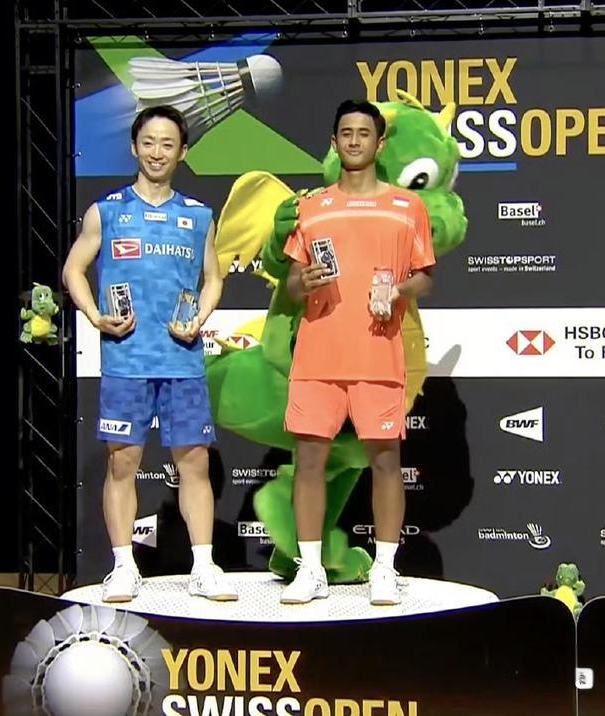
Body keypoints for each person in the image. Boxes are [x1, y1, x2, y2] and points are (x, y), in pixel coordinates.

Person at [61, 105, 236, 603]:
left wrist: (200, 317)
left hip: (182, 359)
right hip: (127, 361)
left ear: (183, 151)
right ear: (134, 147)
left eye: (168, 144)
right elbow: (74, 270)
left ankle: (204, 567)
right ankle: (123, 568)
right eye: (149, 142)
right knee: (123, 463)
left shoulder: (198, 215)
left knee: (195, 463)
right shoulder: (107, 211)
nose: (157, 152)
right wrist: (96, 316)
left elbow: (214, 278)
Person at [279, 100, 435, 606]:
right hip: (317, 356)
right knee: (308, 462)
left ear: (379, 143)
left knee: (386, 462)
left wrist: (399, 291)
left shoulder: (407, 207)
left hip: (378, 353)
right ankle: (310, 570)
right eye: (345, 132)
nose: (353, 140)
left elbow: (425, 277)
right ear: (334, 141)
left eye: (363, 133)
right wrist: (304, 281)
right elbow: (292, 284)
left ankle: (385, 569)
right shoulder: (312, 207)